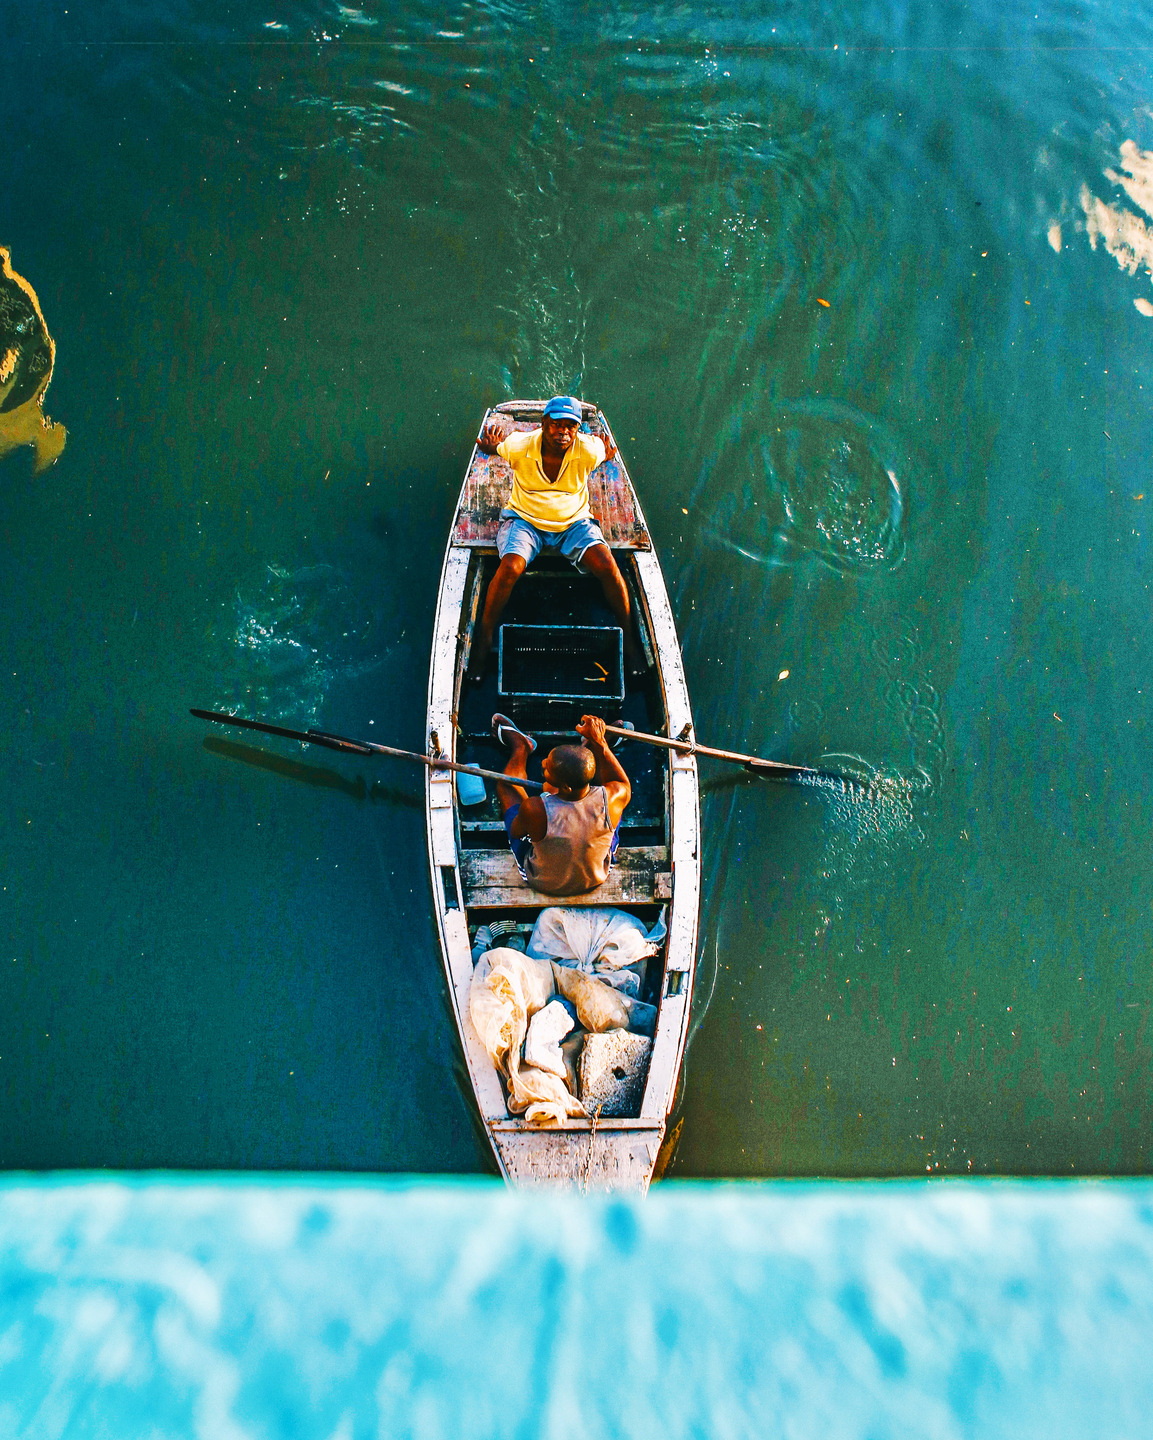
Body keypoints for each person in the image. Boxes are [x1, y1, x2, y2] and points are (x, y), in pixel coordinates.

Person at [467, 395, 644, 679]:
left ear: (577, 430)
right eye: (556, 425)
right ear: (543, 423)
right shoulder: (520, 446)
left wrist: (607, 451)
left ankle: (631, 642)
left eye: (570, 427)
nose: (563, 432)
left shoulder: (586, 450)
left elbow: (605, 450)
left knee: (608, 565)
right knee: (511, 566)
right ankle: (484, 638)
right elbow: (498, 447)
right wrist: (490, 445)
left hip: (573, 522)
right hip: (525, 520)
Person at [493, 711, 631, 897]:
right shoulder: (615, 796)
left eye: (547, 768)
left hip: (544, 881)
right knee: (612, 806)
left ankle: (521, 747)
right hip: (596, 876)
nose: (542, 764)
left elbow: (518, 832)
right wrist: (601, 742)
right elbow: (620, 782)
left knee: (506, 786)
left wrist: (548, 796)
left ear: (565, 786)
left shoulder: (534, 808)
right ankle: (594, 747)